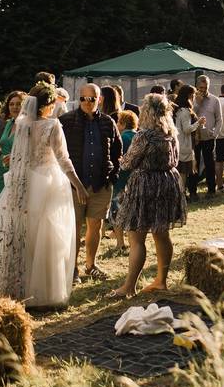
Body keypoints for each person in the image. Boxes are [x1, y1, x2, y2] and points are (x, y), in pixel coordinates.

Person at [0, 82, 83, 308]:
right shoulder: (53, 126)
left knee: (26, 235)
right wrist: (78, 185)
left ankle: (19, 288)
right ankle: (44, 293)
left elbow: (20, 153)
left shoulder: (21, 124)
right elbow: (63, 159)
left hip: (24, 184)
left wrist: (12, 159)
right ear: (49, 104)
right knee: (49, 238)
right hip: (48, 183)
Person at [109, 94, 186, 297]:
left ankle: (129, 286)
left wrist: (121, 159)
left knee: (137, 237)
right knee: (161, 233)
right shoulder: (171, 132)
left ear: (146, 111)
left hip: (145, 184)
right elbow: (176, 159)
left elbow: (128, 163)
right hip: (168, 181)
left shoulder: (144, 135)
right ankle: (161, 280)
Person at [59, 83, 122, 283]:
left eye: (92, 99)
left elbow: (118, 150)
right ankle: (73, 269)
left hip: (101, 183)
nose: (87, 102)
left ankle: (90, 265)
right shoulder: (66, 121)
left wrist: (113, 174)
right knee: (74, 228)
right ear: (79, 99)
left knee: (96, 225)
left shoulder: (108, 122)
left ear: (99, 99)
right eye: (83, 99)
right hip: (74, 184)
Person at [0, 91, 26, 244]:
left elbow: (30, 149)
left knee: (12, 206)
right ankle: (0, 238)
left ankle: (12, 239)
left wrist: (15, 157)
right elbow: (6, 145)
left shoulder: (27, 125)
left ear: (25, 105)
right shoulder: (9, 123)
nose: (14, 107)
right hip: (2, 169)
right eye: (11, 104)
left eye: (18, 103)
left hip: (18, 169)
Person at [109, 110, 139, 254]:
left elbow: (119, 159)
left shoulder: (124, 138)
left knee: (117, 211)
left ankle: (120, 243)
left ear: (123, 123)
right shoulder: (138, 136)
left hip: (122, 178)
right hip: (135, 179)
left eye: (118, 122)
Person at [172, 85, 204, 199]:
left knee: (181, 172)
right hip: (184, 145)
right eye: (194, 95)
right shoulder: (185, 111)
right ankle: (181, 195)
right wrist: (198, 123)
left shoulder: (177, 109)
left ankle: (181, 194)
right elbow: (186, 129)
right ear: (190, 95)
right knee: (183, 173)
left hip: (179, 144)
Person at [193, 75, 222, 198]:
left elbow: (219, 119)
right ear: (196, 86)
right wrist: (197, 104)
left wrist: (215, 133)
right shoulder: (192, 99)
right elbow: (189, 116)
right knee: (194, 165)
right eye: (201, 87)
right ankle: (192, 190)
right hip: (194, 138)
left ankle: (211, 190)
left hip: (209, 138)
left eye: (206, 87)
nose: (203, 90)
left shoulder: (215, 100)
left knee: (210, 164)